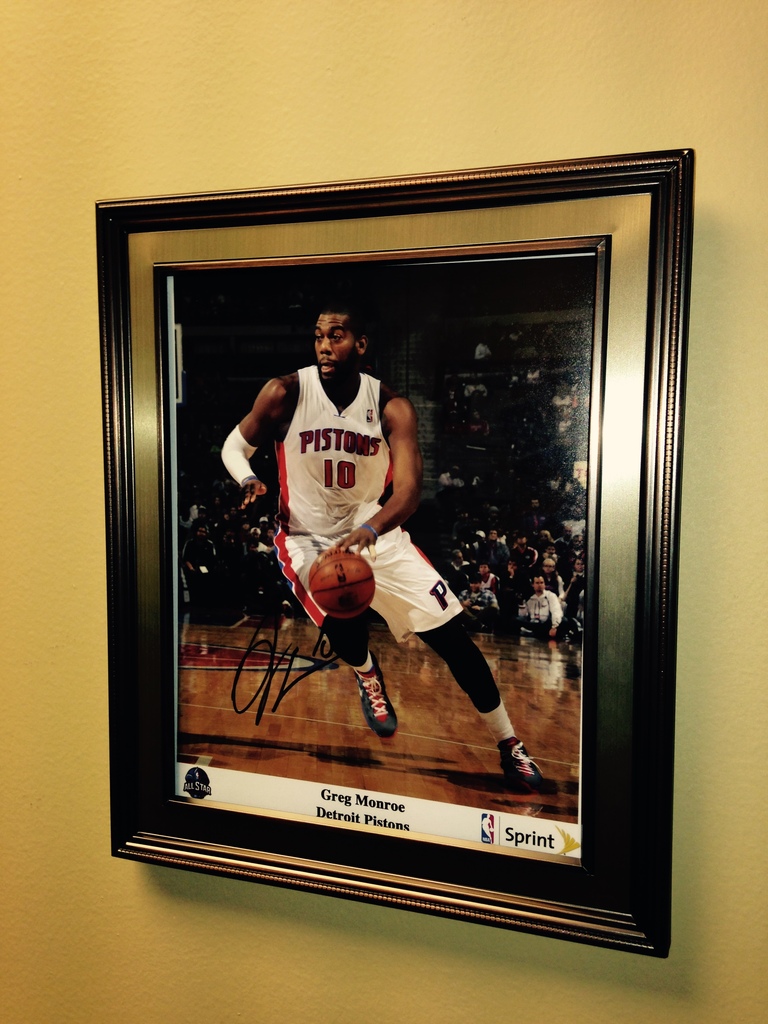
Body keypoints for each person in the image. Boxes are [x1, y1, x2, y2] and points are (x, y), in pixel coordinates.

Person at [221, 301, 542, 791]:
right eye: (319, 336)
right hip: (308, 537)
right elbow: (234, 445)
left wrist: (369, 532)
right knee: (342, 618)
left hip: (376, 532)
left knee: (453, 640)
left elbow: (409, 493)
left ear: (361, 344)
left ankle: (509, 743)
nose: (325, 346)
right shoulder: (285, 392)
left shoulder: (392, 407)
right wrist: (247, 478)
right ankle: (367, 674)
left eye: (337, 335)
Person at [517, 574, 564, 640]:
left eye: (541, 583)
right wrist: (521, 604)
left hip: (545, 624)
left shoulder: (551, 596)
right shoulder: (530, 598)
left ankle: (533, 633)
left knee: (563, 621)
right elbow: (523, 615)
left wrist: (554, 626)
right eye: (537, 583)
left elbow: (556, 611)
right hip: (533, 623)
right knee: (516, 619)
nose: (539, 585)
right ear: (533, 585)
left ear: (544, 584)